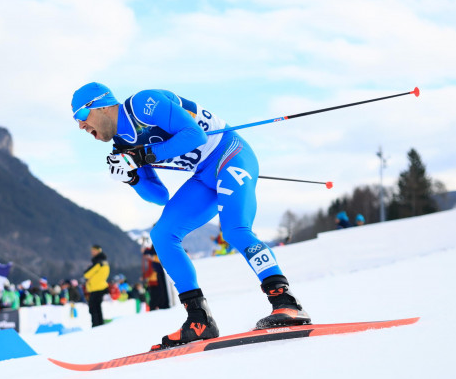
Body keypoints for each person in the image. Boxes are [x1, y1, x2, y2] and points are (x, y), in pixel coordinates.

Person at [71, 82, 310, 348]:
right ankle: (199, 319)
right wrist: (132, 178)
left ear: (102, 106)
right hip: (203, 177)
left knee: (234, 229)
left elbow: (194, 134)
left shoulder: (141, 104)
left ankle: (286, 303)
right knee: (162, 235)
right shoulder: (121, 145)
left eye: (81, 116)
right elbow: (159, 196)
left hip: (230, 154)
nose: (81, 126)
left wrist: (145, 156)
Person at [83, 244, 110, 328]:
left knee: (93, 308)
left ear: (98, 251)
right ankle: (100, 324)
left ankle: (96, 326)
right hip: (101, 286)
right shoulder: (105, 262)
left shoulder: (98, 262)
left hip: (96, 287)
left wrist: (88, 273)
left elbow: (86, 274)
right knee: (98, 308)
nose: (92, 253)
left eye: (94, 251)